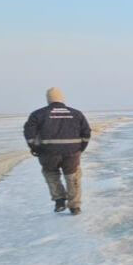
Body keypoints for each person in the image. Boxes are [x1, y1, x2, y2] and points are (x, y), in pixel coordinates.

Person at [23, 87, 91, 215]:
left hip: (48, 153)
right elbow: (86, 133)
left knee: (51, 174)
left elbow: (29, 134)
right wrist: (81, 148)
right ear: (62, 98)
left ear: (48, 99)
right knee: (72, 177)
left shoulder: (37, 114)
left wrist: (35, 148)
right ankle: (74, 206)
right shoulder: (77, 114)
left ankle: (59, 200)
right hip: (72, 152)